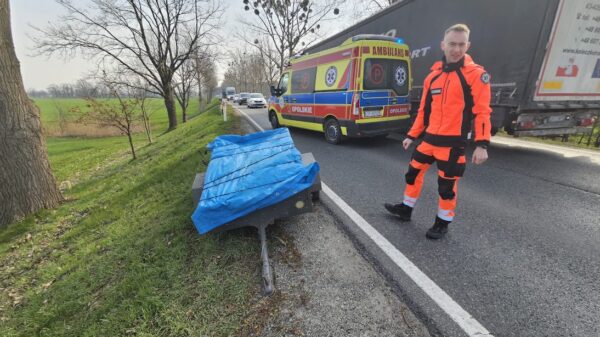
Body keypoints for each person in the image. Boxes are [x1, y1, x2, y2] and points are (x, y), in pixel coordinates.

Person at [384, 23, 492, 240]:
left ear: (468, 45)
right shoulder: (432, 76)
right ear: (443, 45)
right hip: (429, 139)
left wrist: (482, 144)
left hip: (453, 144)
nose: (456, 49)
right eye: (452, 44)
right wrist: (411, 135)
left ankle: (442, 222)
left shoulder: (476, 75)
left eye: (461, 45)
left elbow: (482, 112)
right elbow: (424, 111)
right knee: (412, 173)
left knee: (447, 187)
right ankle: (406, 210)